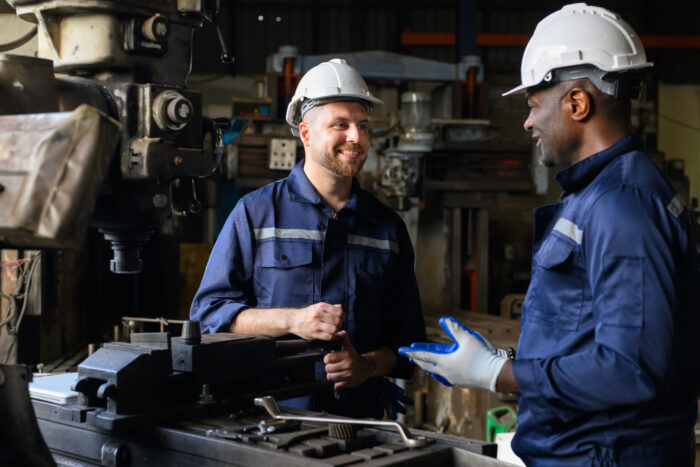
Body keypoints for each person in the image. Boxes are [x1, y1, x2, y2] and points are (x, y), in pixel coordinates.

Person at [400, 4, 700, 465]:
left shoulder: (622, 205)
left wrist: (497, 374)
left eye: (534, 105)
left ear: (577, 103)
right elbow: (587, 332)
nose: (527, 122)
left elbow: (631, 369)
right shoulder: (598, 194)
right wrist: (513, 358)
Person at [190, 58, 425, 419]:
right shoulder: (256, 214)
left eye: (363, 126)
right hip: (270, 418)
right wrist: (290, 321)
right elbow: (210, 315)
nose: (356, 138)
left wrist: (366, 366)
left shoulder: (388, 229)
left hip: (360, 423)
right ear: (306, 133)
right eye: (340, 125)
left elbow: (406, 342)